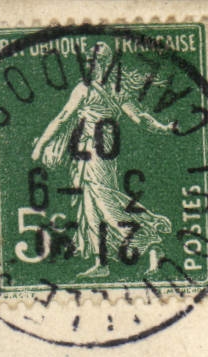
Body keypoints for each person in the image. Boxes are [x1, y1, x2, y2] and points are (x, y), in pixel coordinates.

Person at [29, 43, 175, 278]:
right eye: (89, 60)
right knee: (91, 206)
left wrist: (40, 145)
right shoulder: (111, 89)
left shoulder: (88, 89)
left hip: (97, 150)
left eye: (94, 61)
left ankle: (150, 234)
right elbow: (140, 118)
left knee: (104, 200)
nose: (90, 64)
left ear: (104, 63)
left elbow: (63, 118)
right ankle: (102, 263)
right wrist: (163, 128)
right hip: (90, 150)